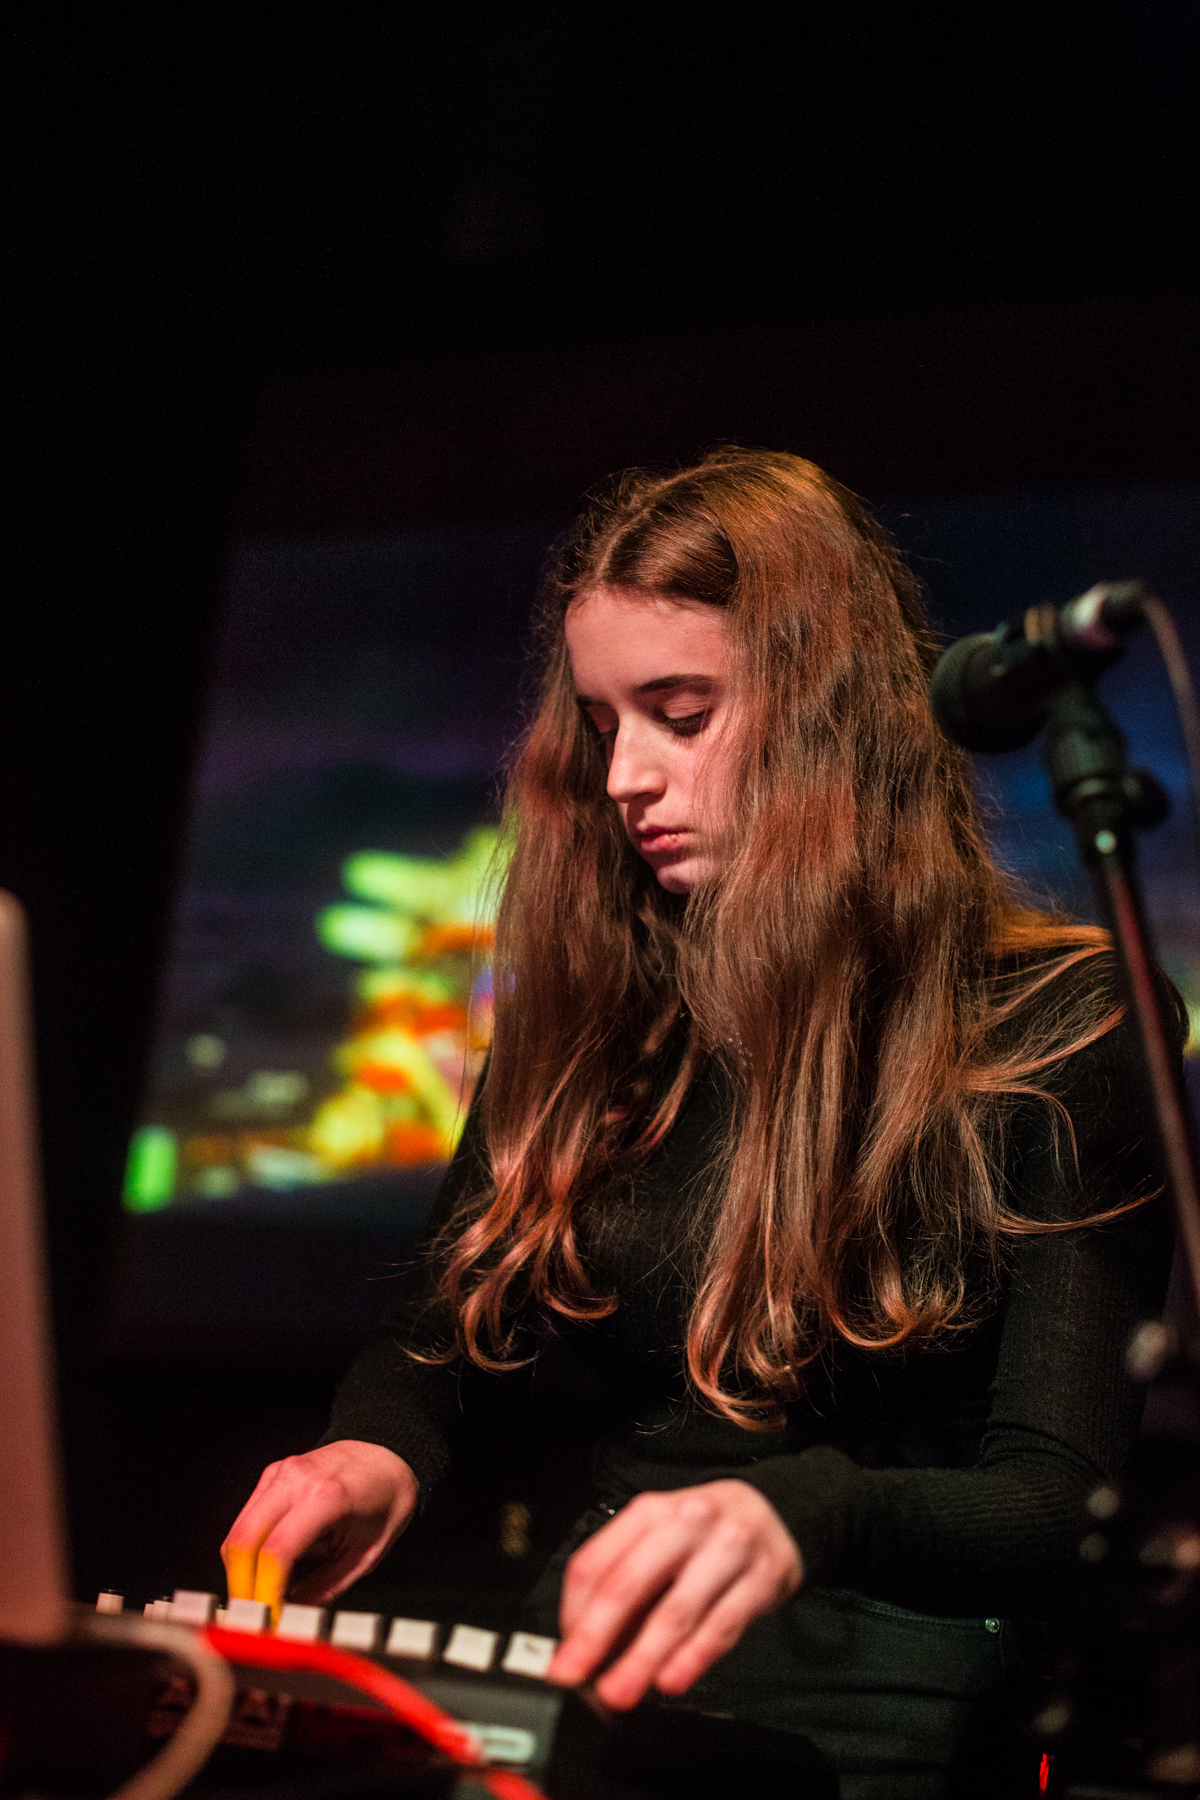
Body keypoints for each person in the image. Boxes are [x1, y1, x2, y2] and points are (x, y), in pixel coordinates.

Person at [223, 450, 1179, 1798]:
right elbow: (435, 1342)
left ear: (827, 715)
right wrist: (374, 1450)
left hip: (894, 1719)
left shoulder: (1060, 1024)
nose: (626, 775)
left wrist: (804, 1510)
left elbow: (1052, 1499)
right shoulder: (601, 1017)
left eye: (680, 714)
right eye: (604, 723)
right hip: (601, 1672)